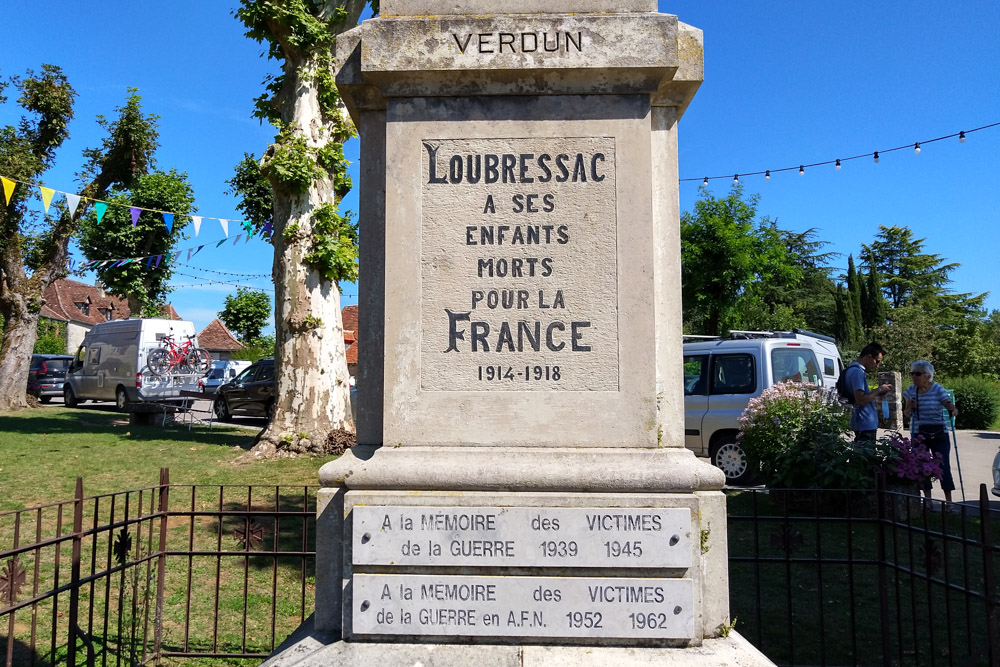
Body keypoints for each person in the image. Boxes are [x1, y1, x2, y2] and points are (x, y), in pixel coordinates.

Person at [902, 360, 959, 502]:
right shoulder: (910, 391)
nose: (914, 376)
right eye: (912, 373)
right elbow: (906, 414)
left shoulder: (938, 389)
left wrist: (952, 408)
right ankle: (927, 501)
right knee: (921, 466)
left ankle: (949, 502)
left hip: (939, 432)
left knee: (943, 466)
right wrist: (911, 407)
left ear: (928, 376)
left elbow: (946, 401)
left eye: (918, 374)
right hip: (919, 433)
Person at [844, 342, 892, 442]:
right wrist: (879, 390)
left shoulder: (853, 370)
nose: (877, 366)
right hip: (864, 426)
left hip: (863, 425)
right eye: (877, 361)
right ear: (868, 357)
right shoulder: (857, 372)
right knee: (864, 456)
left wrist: (877, 392)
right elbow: (860, 400)